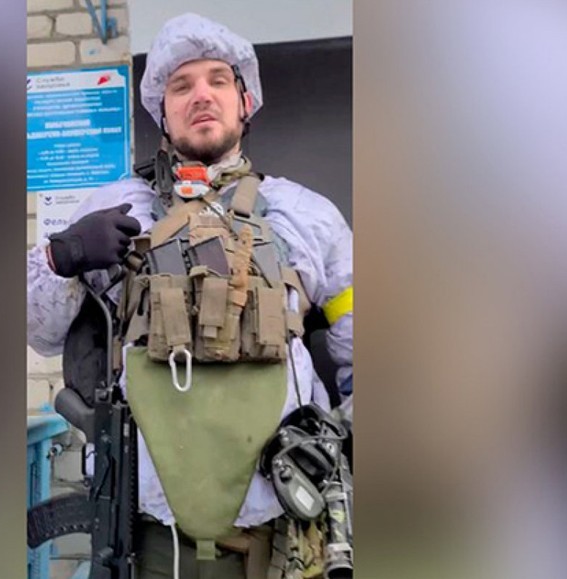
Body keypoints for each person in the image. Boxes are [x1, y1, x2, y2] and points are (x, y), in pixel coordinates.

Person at [28, 13, 353, 579]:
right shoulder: (115, 206)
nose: (201, 95)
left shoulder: (307, 216)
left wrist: (337, 452)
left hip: (284, 529)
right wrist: (64, 256)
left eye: (218, 80)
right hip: (150, 537)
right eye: (181, 85)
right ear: (162, 111)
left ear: (245, 101)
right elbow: (41, 332)